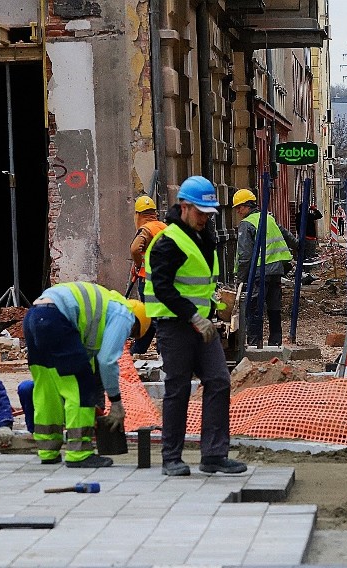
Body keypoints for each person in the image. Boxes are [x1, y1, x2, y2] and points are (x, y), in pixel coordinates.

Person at [146, 175, 247, 476]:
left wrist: (214, 310)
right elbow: (163, 289)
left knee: (218, 380)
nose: (205, 218)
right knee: (177, 388)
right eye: (201, 212)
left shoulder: (204, 238)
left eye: (209, 213)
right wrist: (193, 316)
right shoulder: (168, 242)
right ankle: (171, 458)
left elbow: (201, 284)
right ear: (184, 207)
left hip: (201, 325)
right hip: (175, 326)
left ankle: (214, 455)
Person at [22, 282, 151, 468]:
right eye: (132, 333)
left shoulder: (102, 309)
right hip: (57, 318)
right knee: (81, 386)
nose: (127, 336)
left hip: (34, 316)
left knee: (47, 388)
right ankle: (79, 452)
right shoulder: (125, 314)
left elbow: (89, 359)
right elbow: (107, 361)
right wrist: (115, 402)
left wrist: (94, 409)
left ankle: (48, 449)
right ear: (136, 322)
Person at [232, 188, 296, 346]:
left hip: (260, 271)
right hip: (277, 269)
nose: (238, 211)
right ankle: (275, 342)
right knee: (274, 307)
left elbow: (245, 256)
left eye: (239, 207)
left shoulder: (246, 225)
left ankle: (255, 343)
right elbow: (287, 235)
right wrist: (299, 246)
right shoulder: (268, 218)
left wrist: (241, 279)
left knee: (254, 307)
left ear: (248, 206)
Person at [129, 195, 167, 354]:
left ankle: (165, 355)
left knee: (157, 319)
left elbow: (135, 249)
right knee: (152, 317)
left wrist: (138, 264)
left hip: (149, 281)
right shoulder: (164, 227)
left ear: (138, 214)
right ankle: (138, 349)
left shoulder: (146, 229)